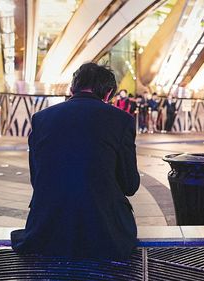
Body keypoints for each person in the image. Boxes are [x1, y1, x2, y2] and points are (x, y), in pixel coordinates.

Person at [11, 62, 140, 260]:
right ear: (107, 94)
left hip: (47, 228)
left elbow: (37, 179)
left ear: (72, 89)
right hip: (105, 232)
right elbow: (130, 185)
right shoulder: (121, 120)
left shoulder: (41, 119)